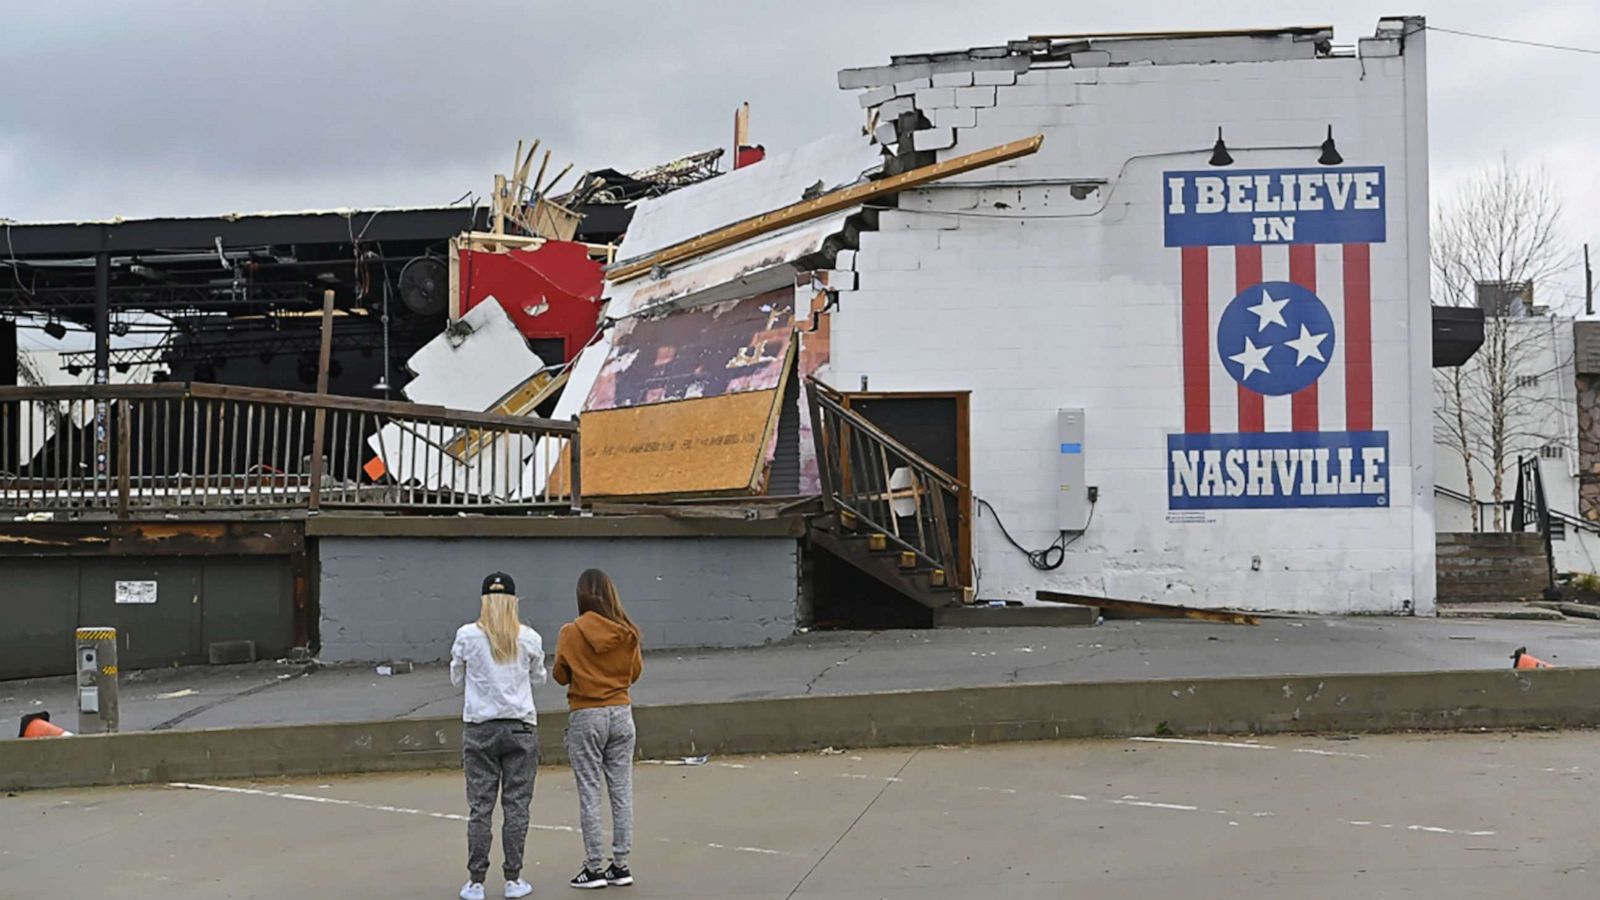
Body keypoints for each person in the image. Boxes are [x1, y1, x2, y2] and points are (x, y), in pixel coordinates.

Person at [451, 572, 547, 900]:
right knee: (516, 805)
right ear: (513, 602)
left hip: (480, 727)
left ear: (484, 601)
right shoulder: (529, 637)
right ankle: (513, 879)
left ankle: (476, 881)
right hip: (520, 726)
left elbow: (455, 678)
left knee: (480, 806)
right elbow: (539, 679)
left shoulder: (466, 635)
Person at [552, 569, 643, 889]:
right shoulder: (628, 631)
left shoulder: (570, 632)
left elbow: (561, 676)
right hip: (621, 712)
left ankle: (593, 868)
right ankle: (621, 864)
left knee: (590, 792)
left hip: (586, 713)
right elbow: (634, 673)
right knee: (621, 791)